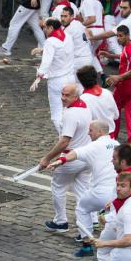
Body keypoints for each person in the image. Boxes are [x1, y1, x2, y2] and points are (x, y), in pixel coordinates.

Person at [48, 120, 118, 257]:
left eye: (90, 130)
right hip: (120, 192)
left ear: (99, 132)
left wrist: (60, 161)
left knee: (82, 208)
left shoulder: (95, 145)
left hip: (102, 193)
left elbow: (75, 153)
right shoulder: (117, 144)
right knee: (118, 219)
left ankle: (86, 243)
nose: (88, 133)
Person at [38, 83, 92, 232]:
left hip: (72, 157)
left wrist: (47, 158)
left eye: (67, 95)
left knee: (58, 186)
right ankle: (87, 225)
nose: (63, 98)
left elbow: (64, 141)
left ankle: (61, 221)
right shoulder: (85, 106)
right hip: (86, 157)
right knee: (82, 191)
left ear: (76, 96)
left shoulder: (71, 114)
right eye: (62, 94)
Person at [99, 25, 131, 151]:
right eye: (117, 36)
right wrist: (110, 55)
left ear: (127, 36)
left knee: (113, 109)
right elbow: (126, 58)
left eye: (121, 36)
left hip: (127, 85)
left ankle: (112, 137)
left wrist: (119, 77)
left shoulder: (129, 48)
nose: (118, 39)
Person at [32, 19, 74, 132]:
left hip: (57, 81)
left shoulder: (50, 41)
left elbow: (46, 62)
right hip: (70, 78)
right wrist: (42, 50)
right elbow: (61, 51)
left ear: (51, 28)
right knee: (69, 110)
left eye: (45, 27)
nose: (44, 29)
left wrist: (39, 76)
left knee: (56, 114)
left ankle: (63, 138)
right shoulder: (68, 36)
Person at [77, 65, 118, 134]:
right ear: (96, 77)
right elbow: (116, 115)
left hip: (93, 137)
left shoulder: (82, 99)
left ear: (80, 81)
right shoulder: (107, 93)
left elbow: (81, 122)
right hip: (110, 135)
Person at [61, 7, 99, 75]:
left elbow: (62, 47)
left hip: (79, 61)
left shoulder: (69, 30)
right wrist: (91, 41)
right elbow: (88, 31)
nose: (63, 19)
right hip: (88, 58)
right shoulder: (77, 23)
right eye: (62, 16)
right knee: (83, 84)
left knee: (71, 83)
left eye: (65, 16)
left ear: (72, 16)